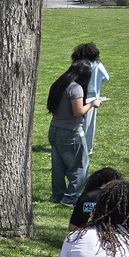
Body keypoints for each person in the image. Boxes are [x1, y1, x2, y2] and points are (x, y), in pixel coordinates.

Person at [47, 60, 98, 207]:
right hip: (71, 132)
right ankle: (70, 198)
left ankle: (57, 195)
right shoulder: (76, 88)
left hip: (54, 129)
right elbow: (78, 112)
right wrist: (92, 104)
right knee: (80, 165)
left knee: (58, 165)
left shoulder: (58, 84)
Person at [71, 43, 109, 155]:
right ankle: (87, 149)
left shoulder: (77, 64)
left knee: (76, 123)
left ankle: (75, 146)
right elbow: (106, 77)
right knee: (89, 126)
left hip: (77, 96)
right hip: (92, 98)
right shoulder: (97, 64)